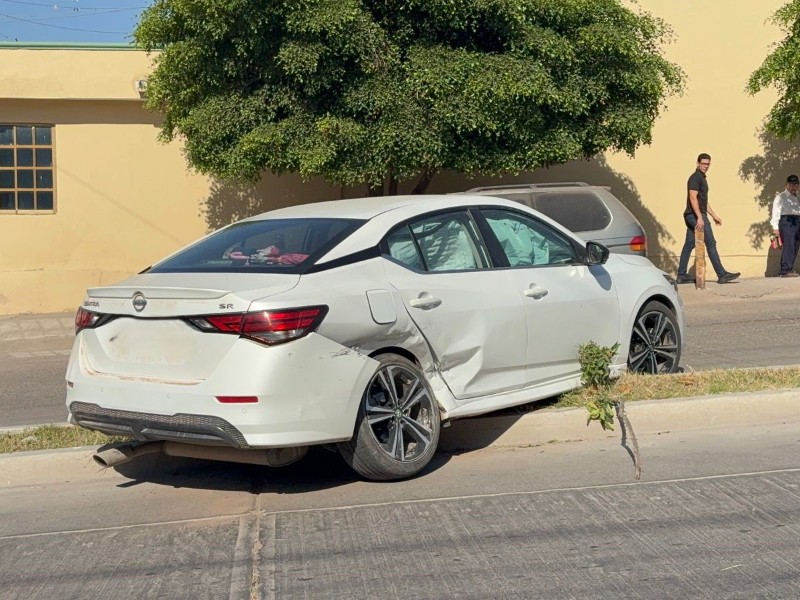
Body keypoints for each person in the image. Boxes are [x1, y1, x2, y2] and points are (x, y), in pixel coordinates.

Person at [676, 153, 740, 284]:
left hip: (695, 214)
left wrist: (714, 215)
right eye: (703, 163)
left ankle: (681, 275)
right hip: (694, 215)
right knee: (711, 243)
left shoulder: (702, 178)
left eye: (707, 164)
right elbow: (692, 198)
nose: (705, 166)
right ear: (698, 163)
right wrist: (699, 217)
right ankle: (722, 274)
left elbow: (703, 202)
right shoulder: (695, 178)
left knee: (689, 244)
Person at [770, 174, 800, 277]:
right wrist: (775, 228)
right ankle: (785, 270)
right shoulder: (781, 197)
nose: (794, 186)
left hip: (797, 220)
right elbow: (775, 212)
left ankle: (789, 268)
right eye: (791, 184)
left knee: (796, 245)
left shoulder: (798, 196)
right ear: (786, 185)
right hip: (786, 220)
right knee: (789, 245)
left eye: (796, 184)